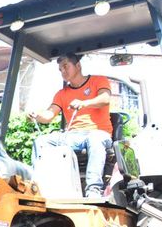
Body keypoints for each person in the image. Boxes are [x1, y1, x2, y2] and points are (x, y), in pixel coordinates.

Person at [28, 53, 113, 198]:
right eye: (60, 69)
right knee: (40, 141)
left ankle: (93, 190)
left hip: (98, 133)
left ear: (78, 66)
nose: (63, 71)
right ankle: (40, 188)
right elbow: (49, 115)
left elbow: (105, 98)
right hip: (73, 136)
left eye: (65, 67)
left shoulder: (98, 81)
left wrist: (84, 102)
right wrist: (37, 115)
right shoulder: (62, 94)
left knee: (94, 139)